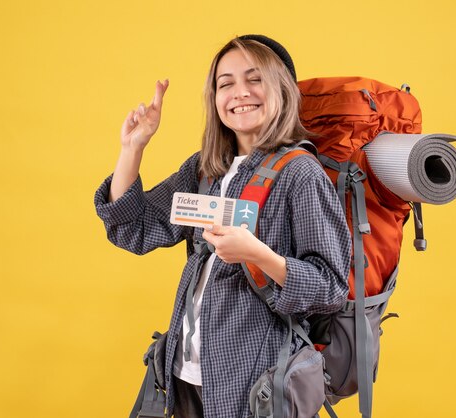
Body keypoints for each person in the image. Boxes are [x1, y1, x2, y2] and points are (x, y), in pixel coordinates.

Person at [95, 35, 351, 418]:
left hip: (255, 381)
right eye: (225, 83)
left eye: (254, 79)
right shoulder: (205, 168)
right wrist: (133, 148)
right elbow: (134, 227)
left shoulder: (300, 173)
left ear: (281, 89)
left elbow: (331, 287)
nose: (239, 93)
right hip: (186, 376)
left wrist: (257, 254)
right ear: (214, 98)